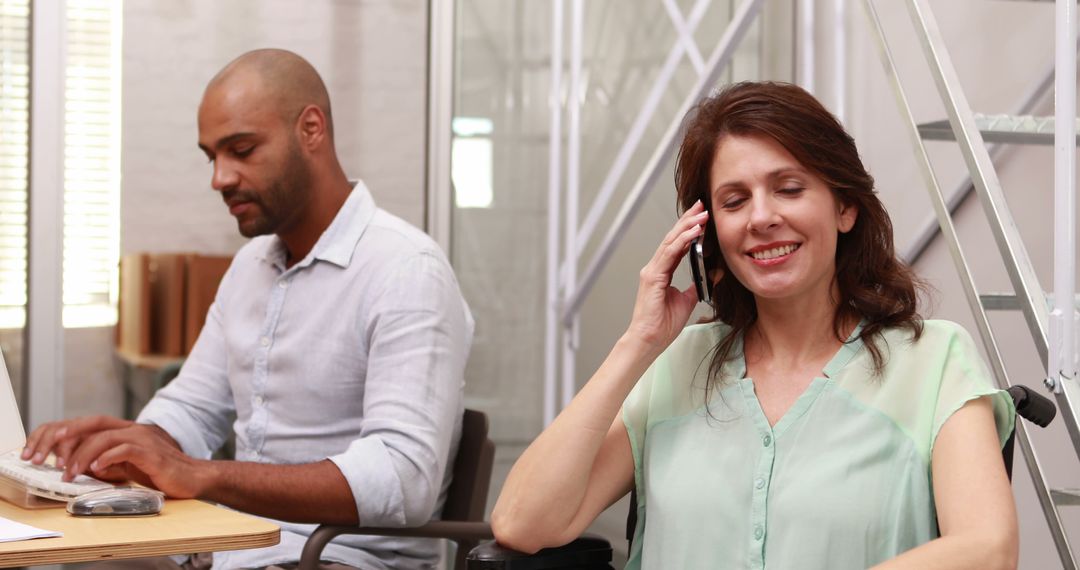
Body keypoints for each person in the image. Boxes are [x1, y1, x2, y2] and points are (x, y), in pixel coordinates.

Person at [491, 81, 1018, 569]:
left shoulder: (934, 361)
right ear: (709, 233)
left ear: (845, 208)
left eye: (789, 188)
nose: (760, 217)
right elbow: (523, 524)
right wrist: (640, 342)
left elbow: (989, 548)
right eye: (734, 200)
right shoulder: (677, 364)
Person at [20, 49, 474, 570]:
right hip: (234, 547)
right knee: (75, 562)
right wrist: (126, 444)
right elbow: (191, 409)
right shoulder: (250, 267)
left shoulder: (406, 270)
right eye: (211, 156)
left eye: (241, 149)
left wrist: (205, 475)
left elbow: (402, 477)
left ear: (311, 130)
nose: (220, 177)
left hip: (334, 558)